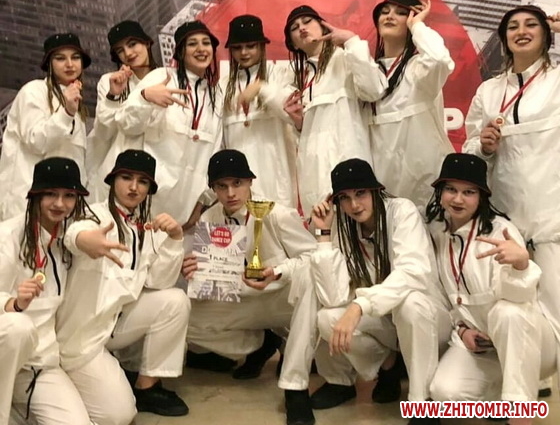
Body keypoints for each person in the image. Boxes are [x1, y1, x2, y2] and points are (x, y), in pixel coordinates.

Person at [182, 149, 318, 425]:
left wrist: (278, 272)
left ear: (250, 182)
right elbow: (211, 276)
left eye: (237, 183)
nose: (231, 193)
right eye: (222, 186)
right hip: (244, 300)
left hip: (282, 299)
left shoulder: (277, 214)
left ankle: (295, 388)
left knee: (310, 282)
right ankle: (259, 343)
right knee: (183, 314)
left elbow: (313, 257)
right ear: (213, 189)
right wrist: (194, 271)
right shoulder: (209, 219)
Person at [309, 158, 450, 418]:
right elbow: (332, 297)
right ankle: (388, 365)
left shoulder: (402, 210)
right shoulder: (342, 224)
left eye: (360, 193)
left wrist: (359, 306)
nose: (354, 205)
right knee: (327, 318)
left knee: (410, 304)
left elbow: (413, 273)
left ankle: (422, 405)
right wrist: (323, 236)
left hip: (428, 319)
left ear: (375, 191)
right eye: (345, 198)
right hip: (387, 321)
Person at [57, 149, 189, 424]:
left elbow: (159, 281)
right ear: (112, 180)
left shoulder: (144, 225)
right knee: (119, 415)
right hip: (83, 337)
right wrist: (84, 241)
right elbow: (73, 234)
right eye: (126, 178)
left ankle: (147, 387)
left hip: (116, 324)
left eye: (142, 181)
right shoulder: (94, 215)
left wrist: (175, 238)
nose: (133, 187)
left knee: (175, 300)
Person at [463, 6, 560, 367]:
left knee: (556, 309)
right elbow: (469, 149)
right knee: (514, 307)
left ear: (547, 35)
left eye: (531, 24)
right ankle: (526, 380)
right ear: (503, 39)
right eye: (513, 27)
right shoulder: (489, 90)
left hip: (552, 215)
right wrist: (484, 146)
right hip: (506, 219)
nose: (522, 31)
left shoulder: (557, 80)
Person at [427, 153, 556, 425]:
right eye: (451, 189)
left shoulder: (501, 231)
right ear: (440, 192)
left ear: (481, 196)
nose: (458, 199)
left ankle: (519, 416)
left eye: (469, 192)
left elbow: (523, 301)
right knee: (445, 393)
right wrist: (462, 330)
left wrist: (521, 265)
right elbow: (444, 298)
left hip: (529, 344)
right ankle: (501, 397)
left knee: (507, 312)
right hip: (483, 347)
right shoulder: (436, 232)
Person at [0, 157, 93, 424]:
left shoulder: (69, 240)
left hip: (41, 363)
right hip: (6, 349)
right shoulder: (8, 235)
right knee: (18, 328)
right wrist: (13, 304)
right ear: (36, 195)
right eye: (51, 194)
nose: (60, 204)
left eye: (69, 196)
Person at [279, 5, 386, 216]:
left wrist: (351, 41)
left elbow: (374, 90)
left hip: (349, 172)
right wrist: (300, 124)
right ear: (292, 43)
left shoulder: (346, 58)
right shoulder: (300, 78)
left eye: (307, 21)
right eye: (295, 27)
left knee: (354, 231)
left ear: (323, 26)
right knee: (320, 232)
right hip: (313, 175)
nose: (302, 28)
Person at [116, 20, 222, 226]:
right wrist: (146, 98)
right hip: (144, 204)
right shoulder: (161, 77)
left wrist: (201, 205)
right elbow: (125, 124)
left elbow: (215, 154)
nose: (201, 49)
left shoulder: (216, 96)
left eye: (206, 43)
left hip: (187, 215)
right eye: (192, 44)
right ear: (180, 52)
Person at [369, 0, 454, 209]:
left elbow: (439, 59)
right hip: (382, 182)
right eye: (384, 12)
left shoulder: (420, 68)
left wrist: (417, 26)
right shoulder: (368, 73)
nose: (389, 16)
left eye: (400, 13)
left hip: (424, 182)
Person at [0, 33, 91, 221]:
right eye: (60, 58)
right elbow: (36, 141)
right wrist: (66, 113)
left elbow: (78, 162)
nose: (69, 64)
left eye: (75, 57)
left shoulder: (77, 106)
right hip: (27, 201)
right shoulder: (33, 91)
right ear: (49, 63)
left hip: (63, 207)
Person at [222, 14, 298, 207]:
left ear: (262, 46)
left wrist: (261, 88)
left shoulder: (280, 74)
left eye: (250, 46)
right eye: (237, 48)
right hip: (236, 185)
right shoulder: (224, 85)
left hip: (275, 176)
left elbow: (293, 115)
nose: (244, 52)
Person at [87, 20, 158, 202]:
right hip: (115, 168)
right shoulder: (109, 81)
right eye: (120, 50)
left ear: (147, 42)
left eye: (132, 44)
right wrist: (113, 96)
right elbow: (103, 133)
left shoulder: (167, 78)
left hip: (155, 172)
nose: (128, 53)